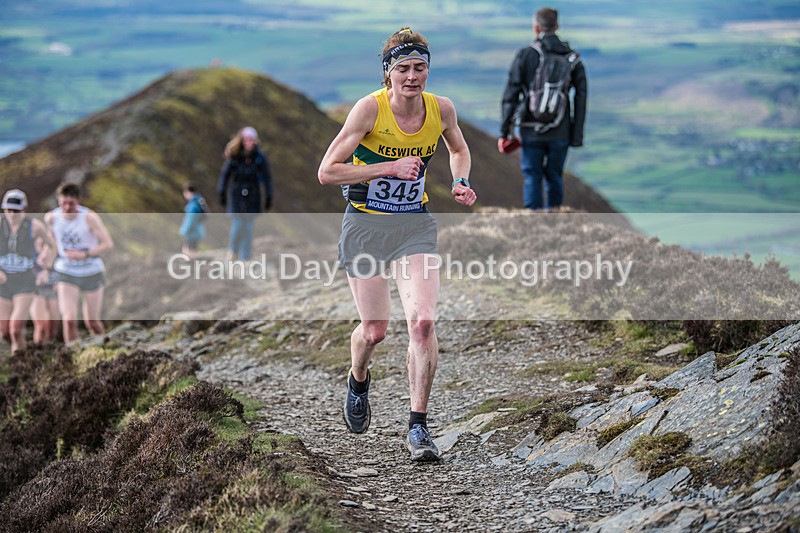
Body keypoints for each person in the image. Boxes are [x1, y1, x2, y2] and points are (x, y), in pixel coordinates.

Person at [318, 28, 477, 461]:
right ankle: (357, 378)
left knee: (422, 323)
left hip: (414, 226)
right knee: (375, 331)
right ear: (388, 73)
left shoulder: (440, 108)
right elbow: (327, 172)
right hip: (366, 226)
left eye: (420, 67)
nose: (412, 77)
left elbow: (458, 148)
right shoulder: (368, 110)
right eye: (403, 68)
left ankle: (419, 427)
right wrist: (387, 167)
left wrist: (460, 180)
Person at [498, 7, 587, 211]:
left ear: (536, 27)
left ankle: (534, 222)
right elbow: (581, 99)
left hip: (531, 129)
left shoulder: (525, 55)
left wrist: (504, 132)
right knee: (554, 176)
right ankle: (555, 222)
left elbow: (510, 95)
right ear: (557, 26)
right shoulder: (573, 59)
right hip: (561, 130)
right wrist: (576, 136)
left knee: (532, 176)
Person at [45, 182, 114, 343]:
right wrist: (46, 259)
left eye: (71, 204)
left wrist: (84, 254)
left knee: (92, 321)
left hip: (91, 271)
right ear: (58, 200)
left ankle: (101, 350)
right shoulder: (51, 218)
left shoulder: (89, 218)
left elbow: (107, 243)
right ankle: (73, 358)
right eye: (63, 203)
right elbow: (52, 244)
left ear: (78, 201)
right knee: (69, 321)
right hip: (66, 272)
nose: (67, 207)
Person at [0, 189, 56, 352]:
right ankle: (21, 356)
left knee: (16, 329)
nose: (12, 214)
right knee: (4, 331)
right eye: (8, 210)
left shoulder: (34, 226)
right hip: (3, 282)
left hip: (25, 282)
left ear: (24, 209)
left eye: (16, 210)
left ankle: (21, 362)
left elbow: (51, 245)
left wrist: (46, 267)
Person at [216, 126, 273, 261]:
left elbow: (267, 177)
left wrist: (269, 196)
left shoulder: (259, 157)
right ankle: (233, 250)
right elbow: (225, 176)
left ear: (255, 140)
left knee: (248, 228)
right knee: (237, 226)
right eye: (246, 139)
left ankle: (246, 257)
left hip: (253, 197)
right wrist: (221, 192)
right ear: (241, 140)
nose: (249, 142)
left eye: (251, 139)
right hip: (236, 196)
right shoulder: (235, 157)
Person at [30, 235, 61, 344]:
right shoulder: (30, 254)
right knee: (41, 326)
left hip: (54, 292)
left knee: (52, 328)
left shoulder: (59, 255)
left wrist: (61, 283)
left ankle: (49, 351)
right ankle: (37, 351)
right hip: (37, 292)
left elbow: (68, 271)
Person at [179, 182, 208, 258]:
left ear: (188, 192)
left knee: (189, 252)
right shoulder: (199, 201)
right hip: (197, 231)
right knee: (193, 250)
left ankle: (191, 267)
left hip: (191, 232)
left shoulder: (193, 205)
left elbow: (190, 220)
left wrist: (184, 230)